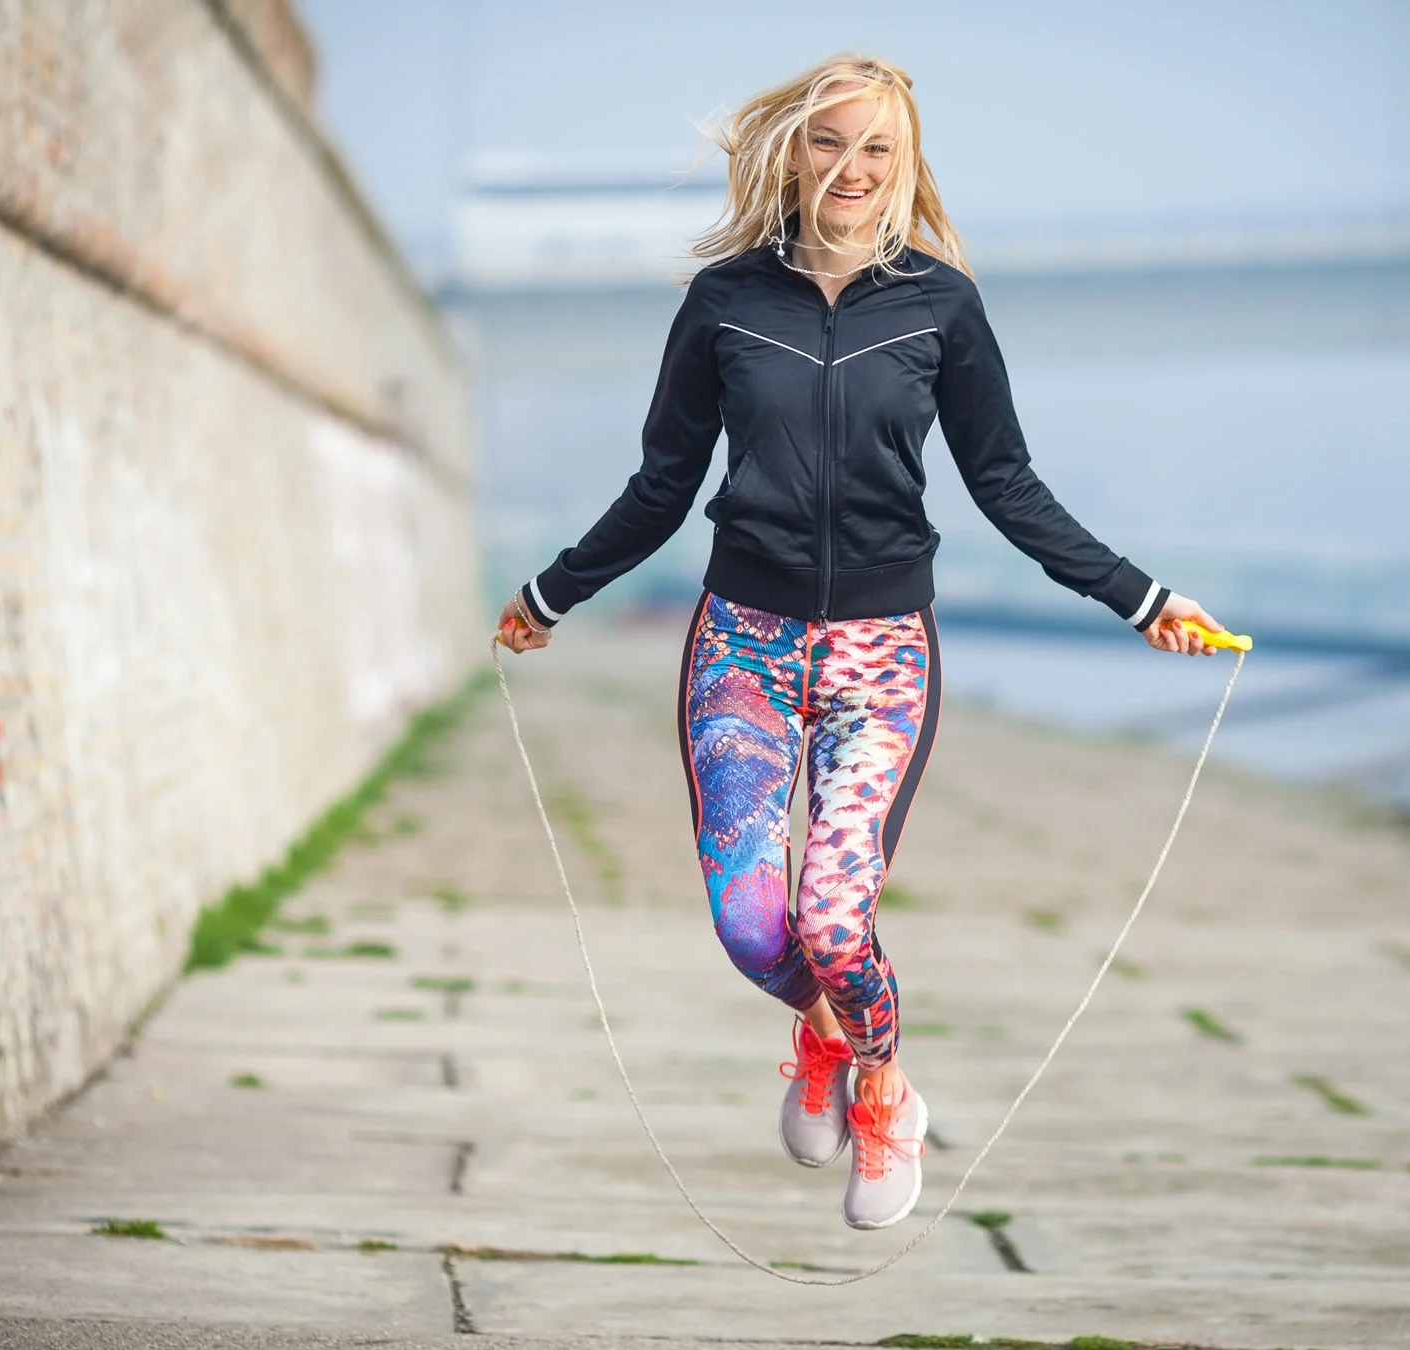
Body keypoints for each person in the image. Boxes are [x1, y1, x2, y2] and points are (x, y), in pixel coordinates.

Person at [496, 53, 1231, 1231]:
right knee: (751, 925)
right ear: (792, 150)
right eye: (829, 141)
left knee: (836, 916)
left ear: (906, 165)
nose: (851, 167)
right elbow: (662, 484)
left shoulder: (940, 305)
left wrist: (1144, 601)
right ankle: (824, 1031)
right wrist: (551, 591)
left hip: (881, 653)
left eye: (876, 148)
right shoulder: (726, 302)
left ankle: (883, 1084)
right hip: (743, 640)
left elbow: (1008, 485)